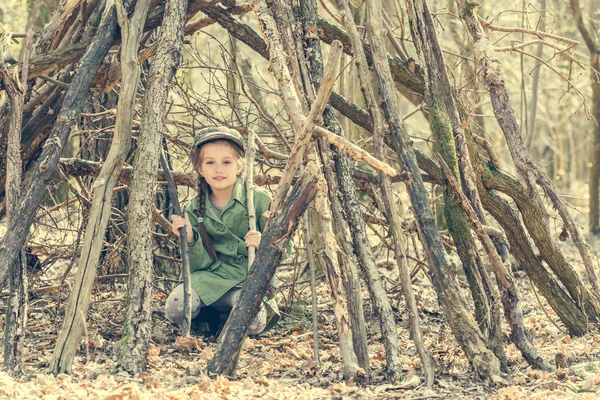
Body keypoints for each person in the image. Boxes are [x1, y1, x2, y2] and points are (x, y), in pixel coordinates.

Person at [164, 126, 279, 335]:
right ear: (200, 170)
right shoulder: (194, 207)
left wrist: (264, 242)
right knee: (176, 308)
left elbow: (284, 247)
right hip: (209, 279)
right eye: (210, 163)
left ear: (239, 166)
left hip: (246, 281)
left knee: (252, 322)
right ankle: (209, 317)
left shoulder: (259, 199)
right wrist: (189, 238)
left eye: (226, 162)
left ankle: (227, 317)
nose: (219, 169)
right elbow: (199, 264)